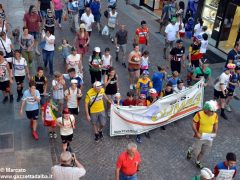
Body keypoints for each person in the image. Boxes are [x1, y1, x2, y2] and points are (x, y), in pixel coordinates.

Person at [186, 100, 218, 169]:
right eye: (211, 111)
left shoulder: (215, 115)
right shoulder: (199, 114)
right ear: (206, 110)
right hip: (200, 136)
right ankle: (190, 150)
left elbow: (215, 123)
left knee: (204, 151)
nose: (213, 113)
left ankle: (198, 161)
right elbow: (193, 123)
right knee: (195, 150)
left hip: (209, 137)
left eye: (214, 111)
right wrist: (196, 133)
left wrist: (215, 131)